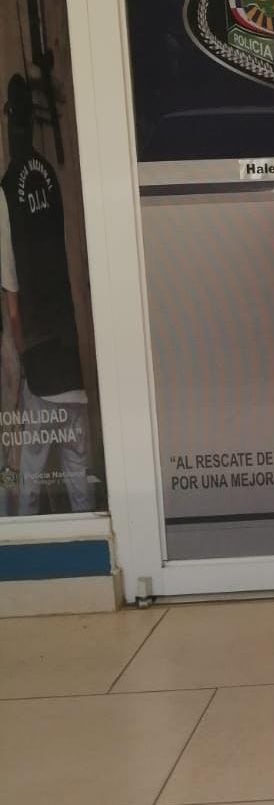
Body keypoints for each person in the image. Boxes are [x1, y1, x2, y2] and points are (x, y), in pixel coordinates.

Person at [0, 73, 93, 516]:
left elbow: (12, 291)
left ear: (9, 123)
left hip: (40, 364)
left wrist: (20, 353)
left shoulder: (6, 189)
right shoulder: (50, 178)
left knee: (30, 483)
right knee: (79, 480)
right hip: (71, 363)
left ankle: (27, 548)